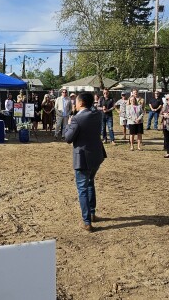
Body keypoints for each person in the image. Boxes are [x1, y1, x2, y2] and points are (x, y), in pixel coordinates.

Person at [64, 92, 106, 233]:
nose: (74, 104)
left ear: (81, 103)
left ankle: (87, 221)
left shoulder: (76, 119)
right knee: (90, 183)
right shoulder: (97, 114)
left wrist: (69, 125)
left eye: (75, 101)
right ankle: (92, 213)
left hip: (83, 158)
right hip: (96, 155)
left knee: (82, 188)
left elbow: (68, 138)